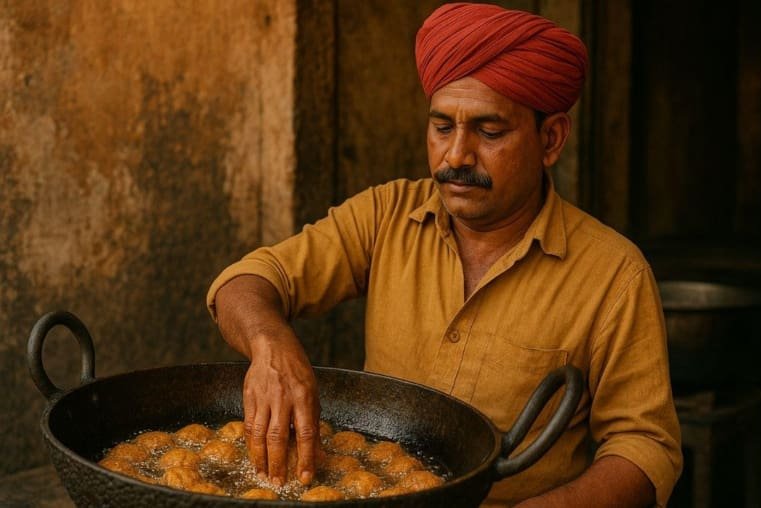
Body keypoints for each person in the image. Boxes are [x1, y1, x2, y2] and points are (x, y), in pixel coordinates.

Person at [206, 3, 682, 506]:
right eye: (441, 128)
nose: (456, 156)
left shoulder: (614, 274)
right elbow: (249, 280)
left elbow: (645, 448)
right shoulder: (386, 215)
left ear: (551, 139)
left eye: (489, 131)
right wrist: (269, 343)